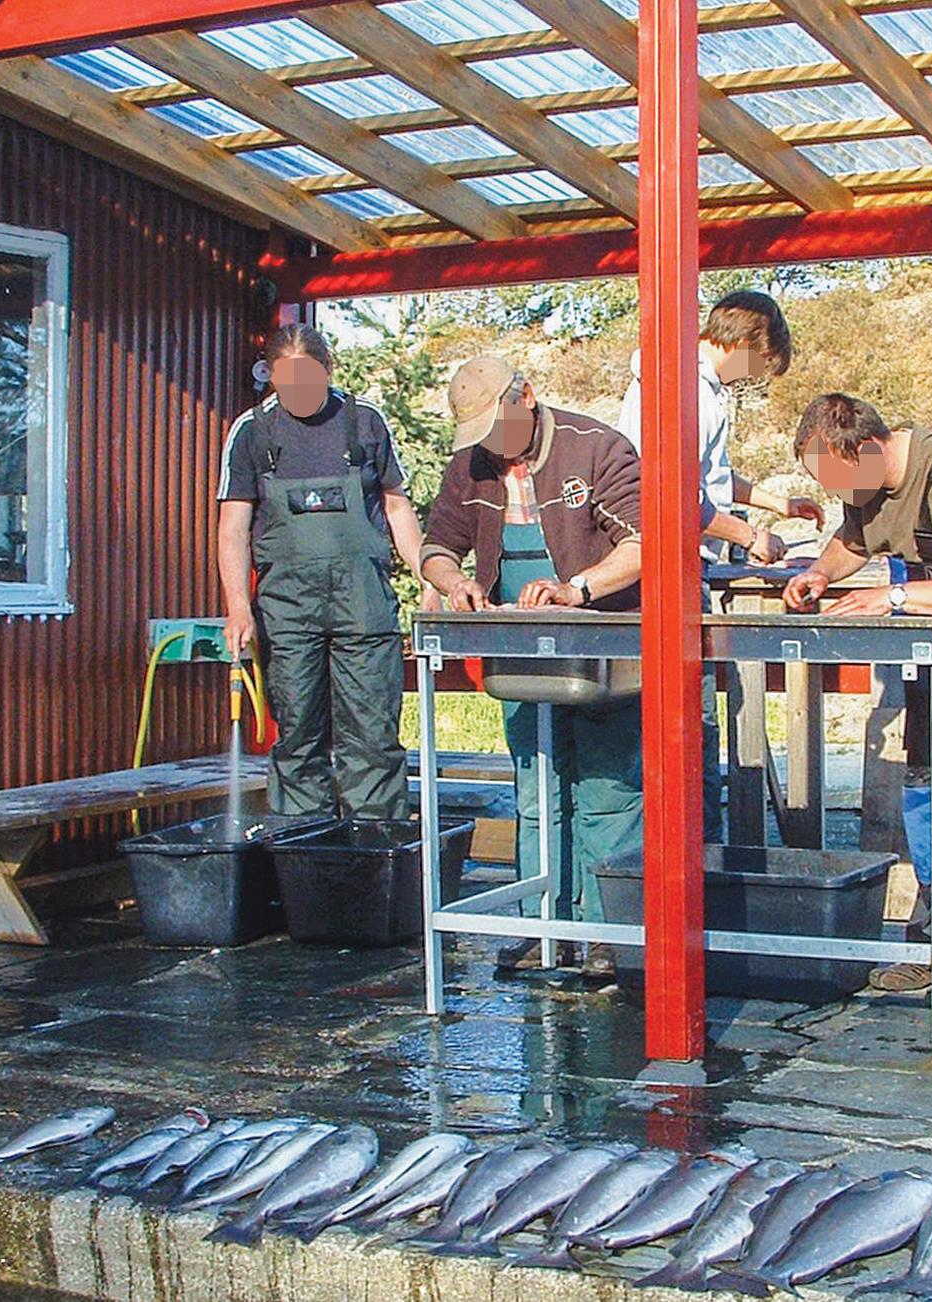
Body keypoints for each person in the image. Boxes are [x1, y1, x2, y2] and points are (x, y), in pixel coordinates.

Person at [421, 356, 646, 980]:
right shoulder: (468, 467)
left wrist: (578, 588)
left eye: (498, 427)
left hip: (603, 651)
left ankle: (608, 931)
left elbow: (645, 542)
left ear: (526, 397)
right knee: (536, 791)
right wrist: (455, 582)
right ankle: (540, 926)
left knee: (607, 792)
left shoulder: (596, 447)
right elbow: (437, 547)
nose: (492, 444)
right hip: (518, 657)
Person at [783, 394, 932, 996]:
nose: (837, 495)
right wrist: (820, 573)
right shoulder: (866, 485)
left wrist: (893, 597)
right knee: (925, 790)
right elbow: (853, 540)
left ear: (868, 449)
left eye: (838, 479)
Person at [617, 290, 825, 838]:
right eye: (760, 363)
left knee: (695, 717)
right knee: (694, 719)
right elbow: (676, 495)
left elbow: (711, 477)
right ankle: (697, 849)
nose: (755, 377)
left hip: (686, 563)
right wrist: (750, 535)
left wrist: (777, 504)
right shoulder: (687, 392)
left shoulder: (696, 389)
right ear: (745, 342)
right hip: (671, 572)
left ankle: (696, 842)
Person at [216, 325, 425, 823]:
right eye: (287, 384)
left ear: (328, 370)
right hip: (287, 613)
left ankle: (374, 847)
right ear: (271, 378)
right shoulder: (252, 432)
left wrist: (428, 578)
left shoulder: (364, 421)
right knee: (297, 738)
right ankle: (303, 852)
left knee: (372, 738)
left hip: (364, 606)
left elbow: (397, 508)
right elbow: (233, 528)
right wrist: (238, 607)